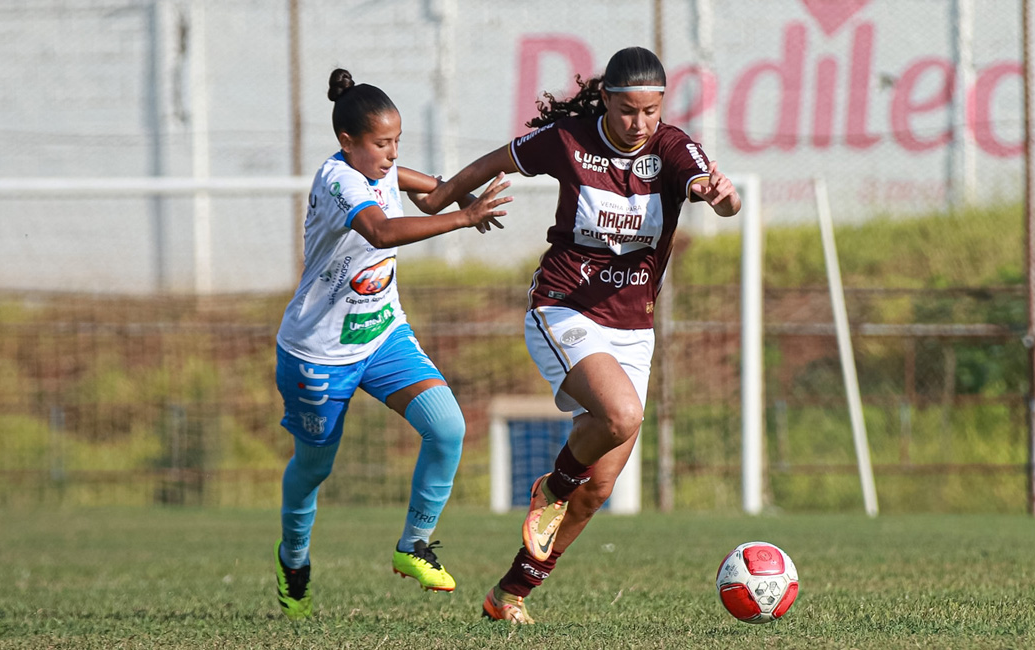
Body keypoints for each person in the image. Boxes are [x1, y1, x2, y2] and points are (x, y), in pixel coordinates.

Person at [418, 46, 741, 623]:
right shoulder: (569, 140)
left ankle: (509, 594)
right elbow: (495, 160)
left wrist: (721, 197)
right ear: (606, 101)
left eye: (650, 110)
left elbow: (713, 191)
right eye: (626, 111)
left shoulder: (671, 145)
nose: (639, 123)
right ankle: (549, 490)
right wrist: (443, 200)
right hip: (562, 307)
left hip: (632, 326)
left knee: (598, 488)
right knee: (619, 416)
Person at [272, 67, 511, 620]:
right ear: (347, 142)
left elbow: (431, 196)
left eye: (397, 141)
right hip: (319, 353)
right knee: (313, 469)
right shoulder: (339, 180)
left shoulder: (381, 169)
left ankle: (413, 546)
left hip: (382, 336)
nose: (391, 153)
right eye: (382, 143)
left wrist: (466, 199)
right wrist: (463, 217)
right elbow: (380, 231)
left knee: (447, 426)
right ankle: (294, 560)